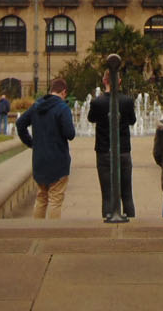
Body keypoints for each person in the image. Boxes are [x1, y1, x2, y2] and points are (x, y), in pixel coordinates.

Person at [16, 78, 76, 219]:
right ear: (64, 92)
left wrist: (31, 143)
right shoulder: (62, 108)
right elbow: (70, 134)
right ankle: (52, 229)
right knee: (55, 199)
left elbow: (20, 123)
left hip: (40, 159)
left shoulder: (37, 106)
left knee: (41, 197)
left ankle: (38, 228)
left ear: (51, 90)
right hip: (58, 159)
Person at [87, 71, 136, 220]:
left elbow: (91, 118)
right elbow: (132, 121)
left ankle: (108, 220)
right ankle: (133, 223)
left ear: (104, 81)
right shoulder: (127, 101)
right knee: (127, 194)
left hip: (104, 151)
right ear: (119, 81)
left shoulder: (97, 102)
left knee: (107, 195)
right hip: (123, 151)